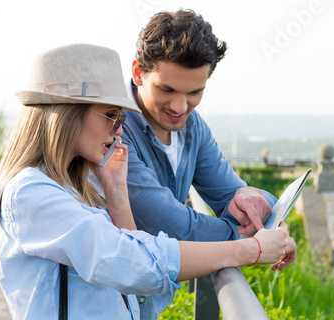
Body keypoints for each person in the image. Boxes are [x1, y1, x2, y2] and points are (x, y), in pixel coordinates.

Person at [0, 43, 295, 320]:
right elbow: (132, 263)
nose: (119, 128)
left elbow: (137, 287)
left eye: (120, 116)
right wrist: (251, 249)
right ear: (66, 114)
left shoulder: (81, 187)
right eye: (110, 114)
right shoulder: (30, 192)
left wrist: (117, 191)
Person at [123, 9, 294, 242]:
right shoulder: (113, 127)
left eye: (195, 92)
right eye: (166, 89)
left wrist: (251, 197)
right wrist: (255, 240)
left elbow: (248, 203)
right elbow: (173, 228)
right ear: (137, 73)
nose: (180, 107)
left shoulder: (193, 127)